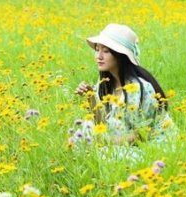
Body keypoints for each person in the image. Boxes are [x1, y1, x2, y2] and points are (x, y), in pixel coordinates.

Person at [74, 23, 176, 152]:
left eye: (106, 51)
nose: (98, 56)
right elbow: (102, 126)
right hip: (122, 144)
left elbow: (141, 135)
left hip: (151, 147)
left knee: (102, 153)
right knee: (81, 133)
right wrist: (91, 97)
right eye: (97, 49)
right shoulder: (104, 83)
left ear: (120, 56)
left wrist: (106, 143)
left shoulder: (139, 88)